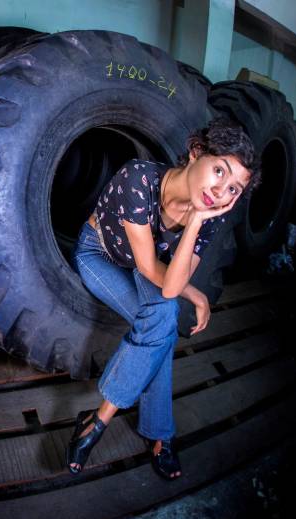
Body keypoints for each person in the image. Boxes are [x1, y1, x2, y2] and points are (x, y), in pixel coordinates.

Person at [68, 118, 260, 480]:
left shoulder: (210, 216)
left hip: (148, 268)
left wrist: (196, 221)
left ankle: (99, 419)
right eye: (219, 171)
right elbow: (162, 277)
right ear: (196, 152)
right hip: (100, 254)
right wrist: (192, 291)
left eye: (234, 188)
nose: (221, 191)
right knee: (164, 323)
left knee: (162, 316)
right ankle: (159, 434)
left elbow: (170, 284)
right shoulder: (138, 179)